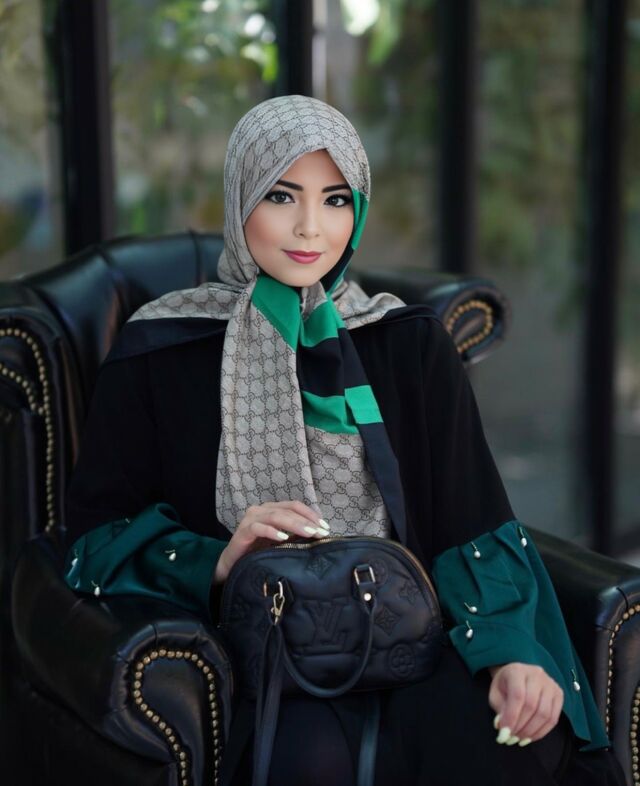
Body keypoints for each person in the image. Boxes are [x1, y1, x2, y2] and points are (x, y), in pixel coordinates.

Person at [63, 95, 625, 786]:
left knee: (513, 739)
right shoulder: (161, 347)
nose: (310, 226)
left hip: (413, 639)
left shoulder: (406, 343)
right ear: (240, 197)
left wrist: (510, 650)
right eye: (281, 195)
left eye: (335, 200)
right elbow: (94, 539)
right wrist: (218, 558)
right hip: (260, 657)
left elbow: (471, 521)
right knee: (310, 761)